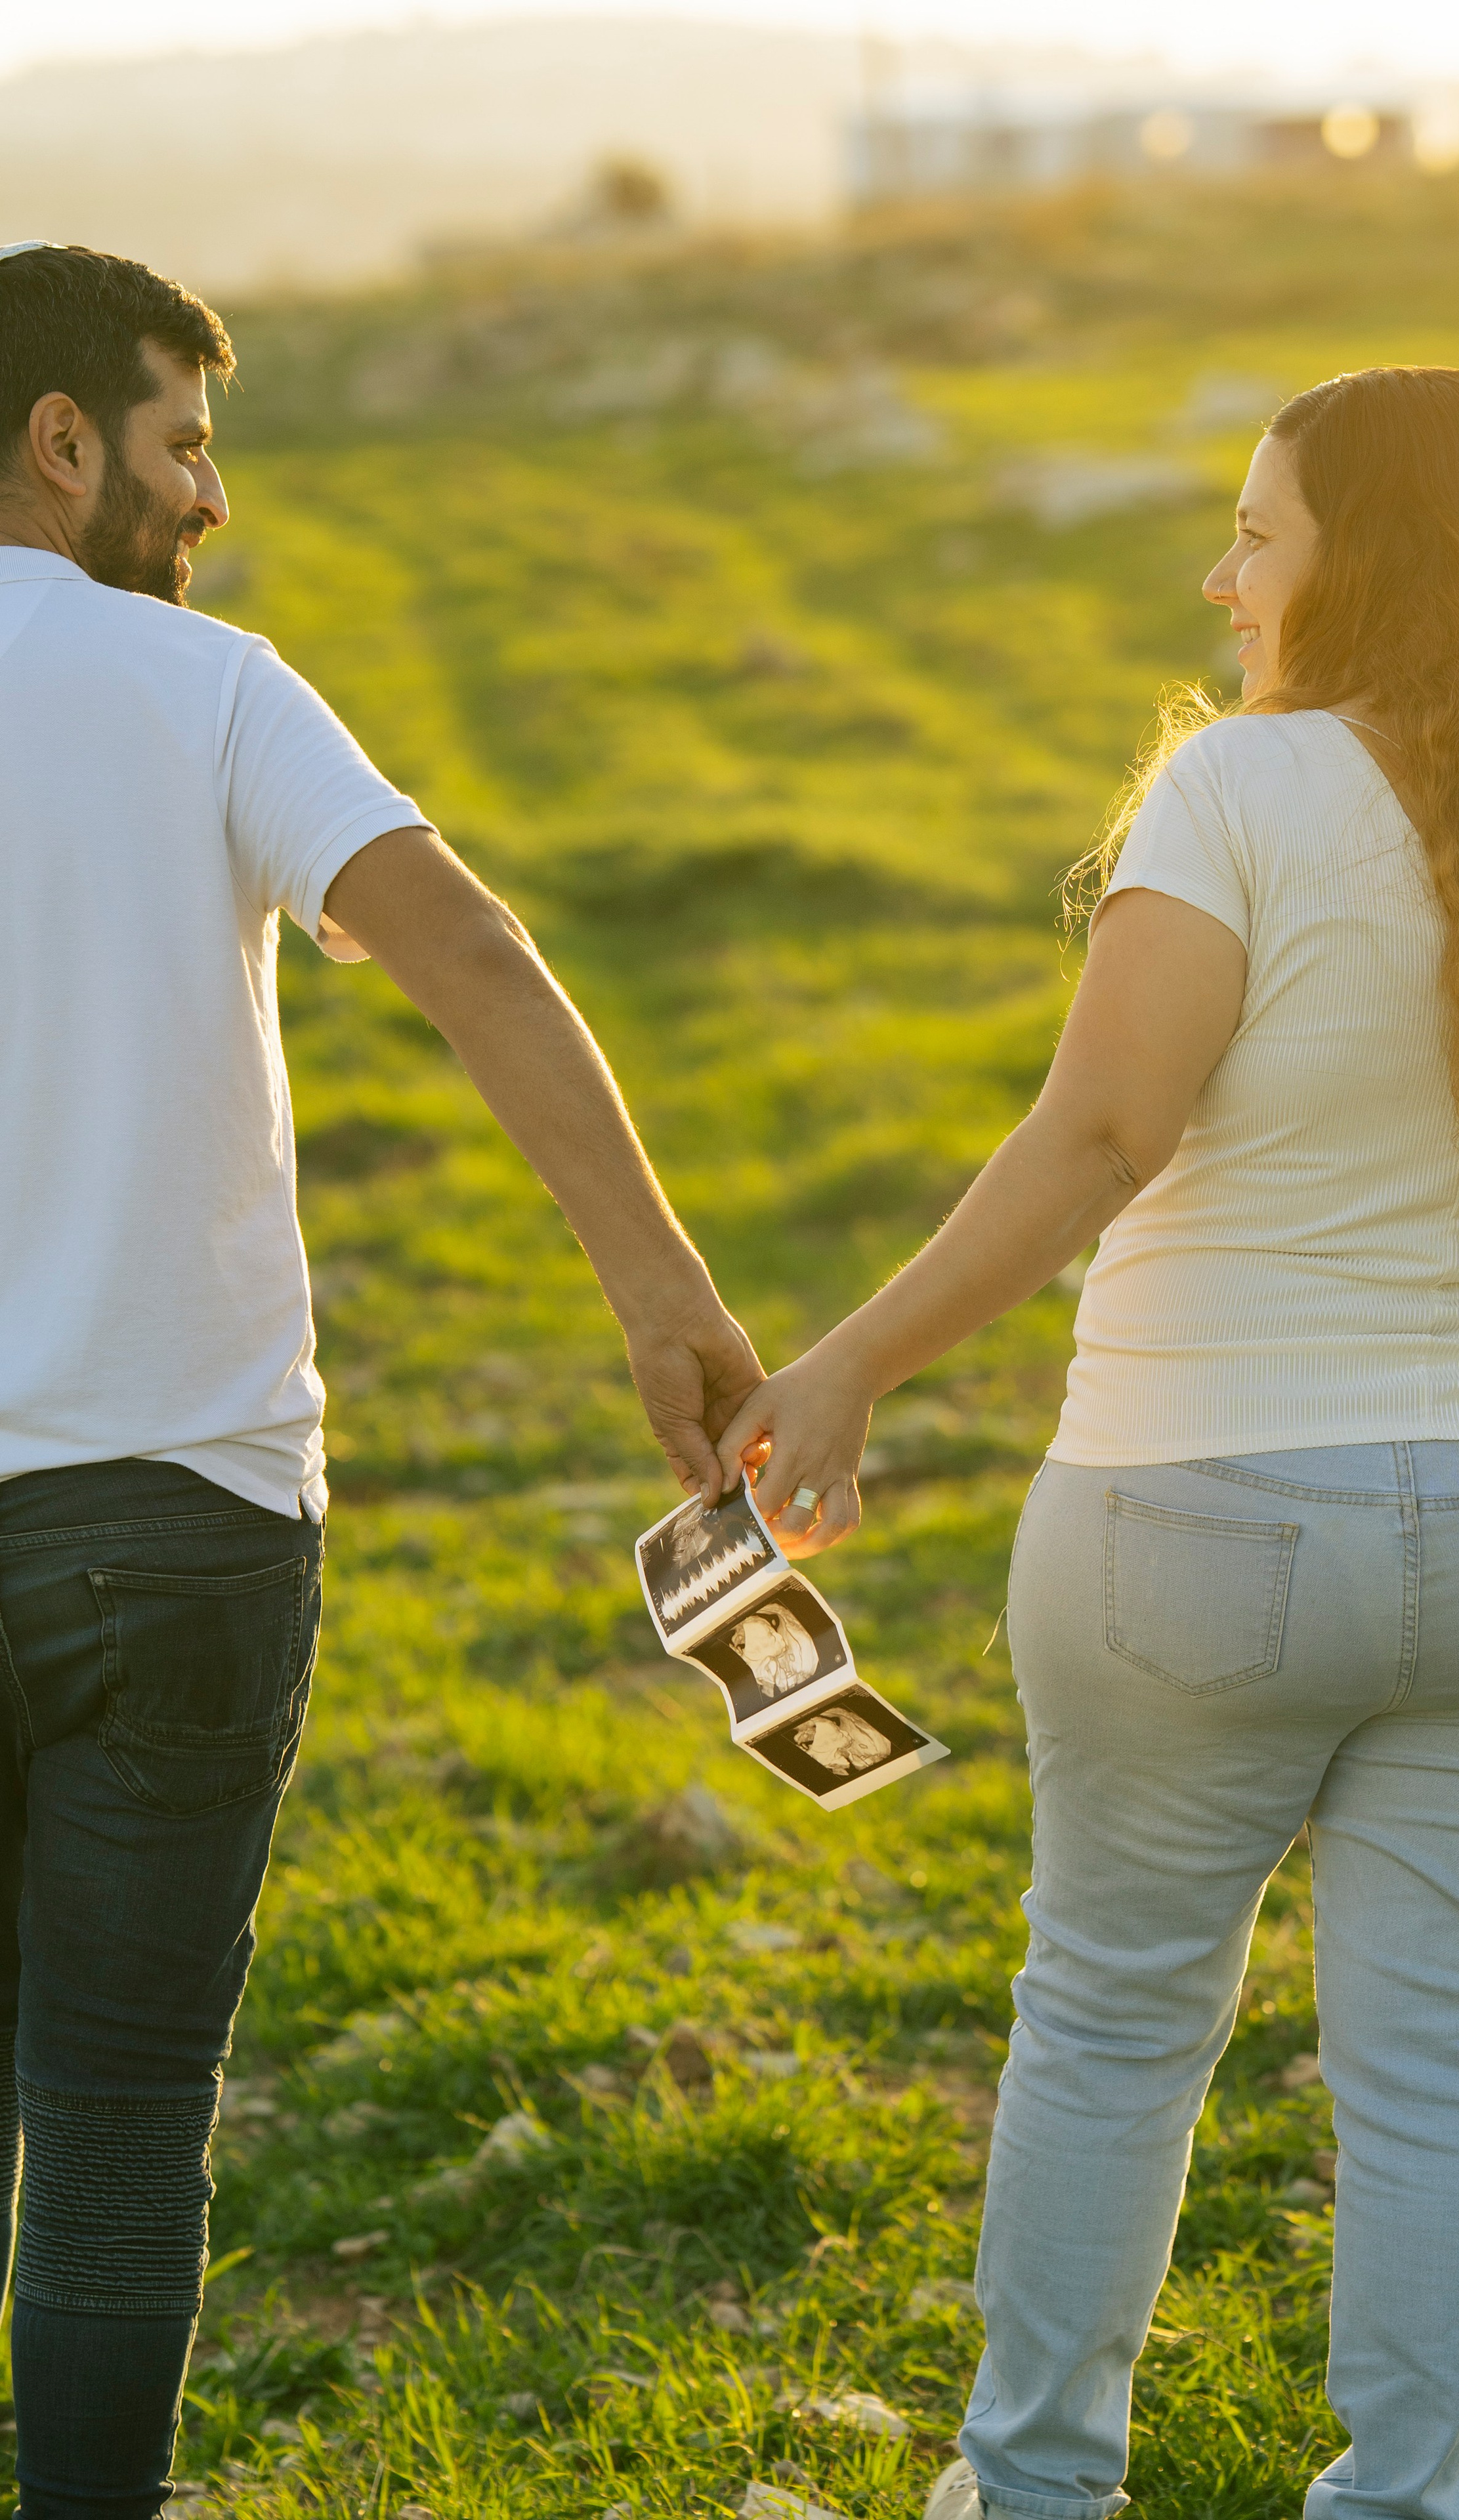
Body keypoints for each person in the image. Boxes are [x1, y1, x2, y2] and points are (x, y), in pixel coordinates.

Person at [721, 365, 1459, 2520]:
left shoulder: (1243, 791)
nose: (1222, 575)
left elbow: (1103, 1128)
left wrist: (855, 1362)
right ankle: (1408, 2501)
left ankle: (1042, 2489)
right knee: (1454, 2065)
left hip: (1209, 1511)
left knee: (1118, 2025)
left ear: (1369, 564)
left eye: (1260, 533)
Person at [0, 242, 761, 2519]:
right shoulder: (209, 693)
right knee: (124, 2126)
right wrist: (659, 1296)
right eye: (184, 440)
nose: (209, 496)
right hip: (185, 1514)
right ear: (59, 443)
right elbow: (472, 949)